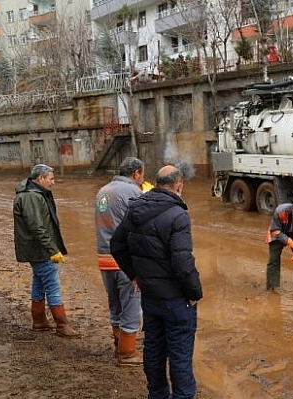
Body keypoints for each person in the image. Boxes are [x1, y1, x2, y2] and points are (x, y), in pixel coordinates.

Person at [110, 164, 203, 399]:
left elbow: (116, 245)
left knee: (154, 349)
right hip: (176, 299)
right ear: (179, 185)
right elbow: (183, 263)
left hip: (150, 297)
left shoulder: (136, 207)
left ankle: (157, 395)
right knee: (180, 356)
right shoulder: (178, 214)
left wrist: (134, 275)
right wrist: (195, 293)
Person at [13, 164, 80, 338]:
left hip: (36, 249)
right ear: (40, 178)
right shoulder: (32, 197)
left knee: (40, 282)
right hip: (40, 250)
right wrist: (52, 250)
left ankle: (39, 321)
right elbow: (37, 227)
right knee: (52, 285)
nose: (53, 182)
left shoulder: (32, 193)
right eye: (51, 178)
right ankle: (62, 325)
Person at [95, 157, 145, 366]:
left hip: (104, 258)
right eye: (142, 174)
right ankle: (127, 353)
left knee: (114, 304)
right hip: (124, 261)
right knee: (131, 305)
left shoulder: (103, 191)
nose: (143, 179)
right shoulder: (133, 192)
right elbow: (141, 225)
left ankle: (118, 343)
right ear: (136, 174)